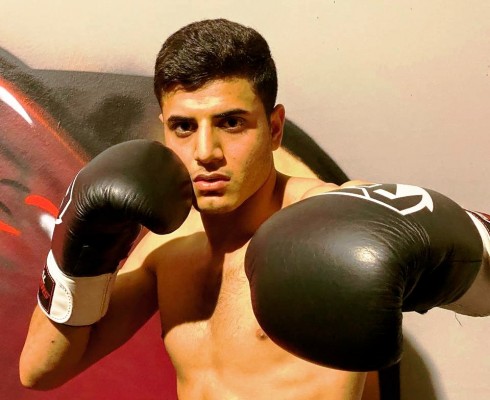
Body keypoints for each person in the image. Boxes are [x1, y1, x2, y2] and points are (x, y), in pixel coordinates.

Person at [19, 19, 489, 400]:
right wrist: (77, 252)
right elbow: (39, 371)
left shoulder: (333, 216)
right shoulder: (168, 250)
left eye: (231, 123)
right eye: (184, 127)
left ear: (274, 127)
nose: (206, 152)